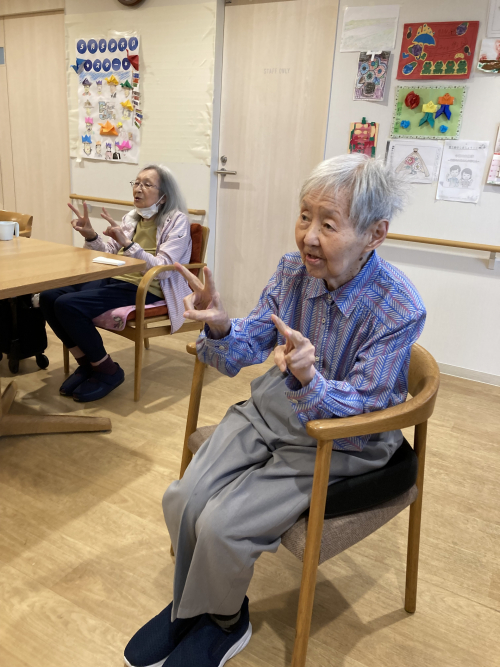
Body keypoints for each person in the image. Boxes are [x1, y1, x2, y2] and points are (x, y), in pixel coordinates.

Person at [124, 154, 426, 667]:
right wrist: (221, 325)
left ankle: (223, 621)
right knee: (183, 499)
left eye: (328, 224)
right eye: (305, 216)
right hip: (274, 409)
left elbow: (366, 403)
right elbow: (248, 344)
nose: (308, 236)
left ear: (375, 234)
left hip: (344, 439)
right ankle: (191, 607)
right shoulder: (292, 271)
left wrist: (310, 380)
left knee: (223, 525)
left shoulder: (399, 307)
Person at [39, 165, 192, 402]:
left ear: (163, 196)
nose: (138, 189)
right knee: (48, 296)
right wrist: (91, 235)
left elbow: (163, 269)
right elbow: (110, 252)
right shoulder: (132, 217)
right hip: (116, 278)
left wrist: (129, 245)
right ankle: (88, 364)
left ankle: (108, 371)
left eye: (147, 184)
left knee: (68, 305)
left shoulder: (177, 221)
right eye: (136, 183)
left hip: (147, 287)